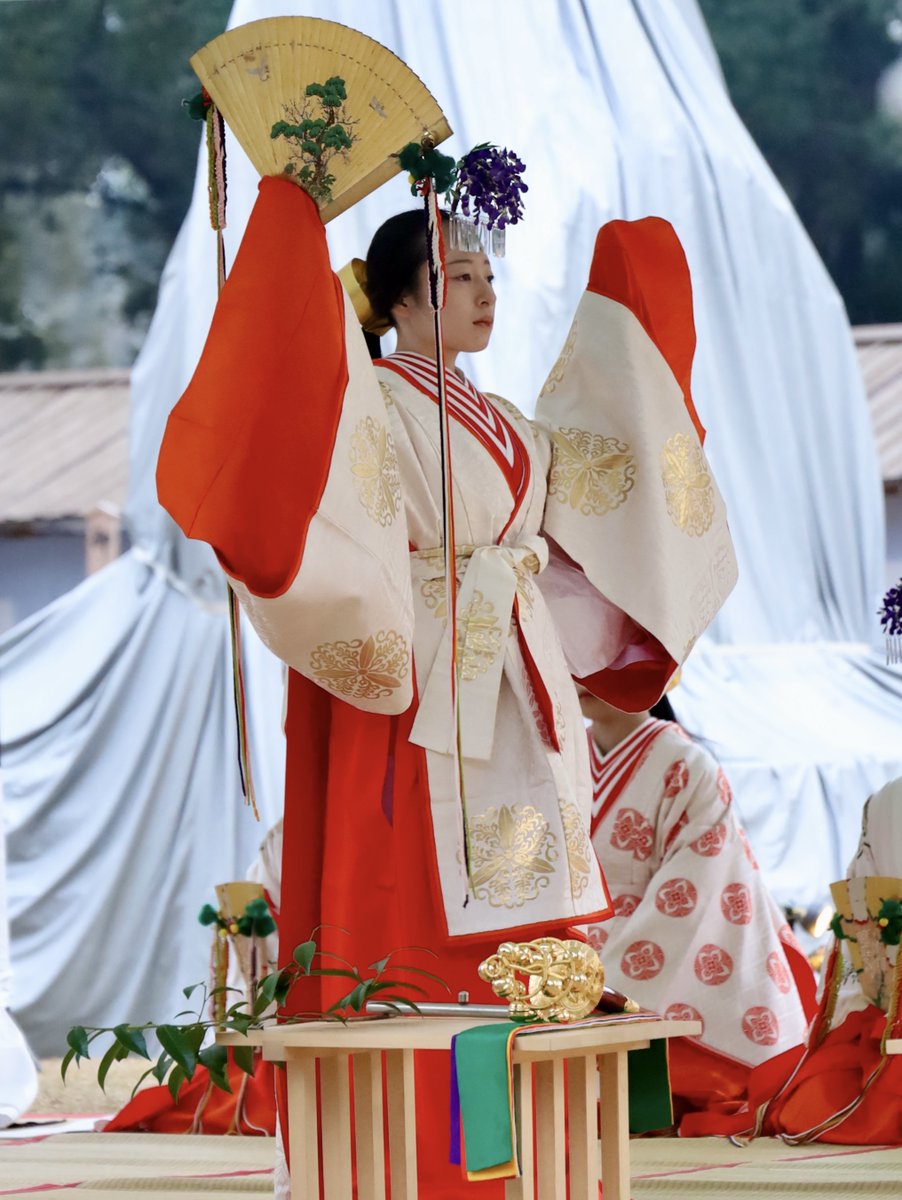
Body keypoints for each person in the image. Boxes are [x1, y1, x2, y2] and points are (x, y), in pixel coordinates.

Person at [155, 172, 737, 1194]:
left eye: (485, 273)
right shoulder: (370, 400)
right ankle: (420, 1139)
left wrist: (630, 319)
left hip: (510, 660)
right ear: (404, 299)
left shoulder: (506, 418)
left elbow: (597, 484)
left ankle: (509, 1133)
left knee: (518, 893)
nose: (483, 293)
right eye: (456, 275)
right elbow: (307, 462)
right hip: (421, 673)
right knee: (415, 889)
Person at [577, 691, 817, 1133]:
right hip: (577, 955)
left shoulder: (687, 765)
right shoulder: (563, 754)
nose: (586, 676)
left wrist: (597, 985)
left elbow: (698, 888)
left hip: (654, 959)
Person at [757, 775, 902, 1143]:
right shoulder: (886, 799)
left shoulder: (887, 800)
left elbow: (863, 909)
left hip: (892, 1009)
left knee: (821, 1095)